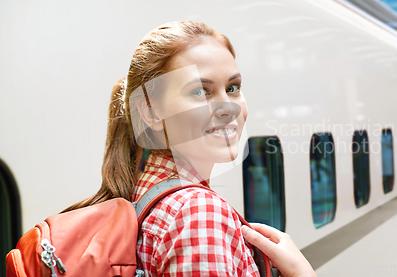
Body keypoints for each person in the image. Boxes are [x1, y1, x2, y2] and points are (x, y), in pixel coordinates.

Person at [65, 21, 315, 277]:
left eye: (232, 88)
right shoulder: (198, 214)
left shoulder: (138, 192)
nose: (228, 108)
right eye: (200, 92)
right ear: (149, 111)